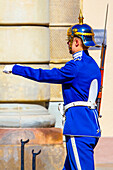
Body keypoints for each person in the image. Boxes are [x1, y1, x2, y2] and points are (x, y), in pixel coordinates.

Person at [3, 13, 101, 170]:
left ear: (77, 41)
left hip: (79, 127)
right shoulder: (92, 64)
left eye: (70, 41)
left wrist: (17, 69)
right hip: (88, 126)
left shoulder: (75, 66)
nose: (68, 44)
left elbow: (44, 75)